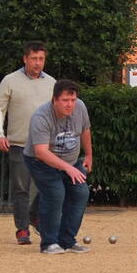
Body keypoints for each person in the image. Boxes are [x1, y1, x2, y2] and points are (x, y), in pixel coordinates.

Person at [0, 41, 54, 244]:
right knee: (21, 189)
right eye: (34, 59)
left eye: (41, 59)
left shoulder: (52, 83)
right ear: (25, 59)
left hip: (46, 146)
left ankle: (34, 215)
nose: (37, 63)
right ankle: (22, 229)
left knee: (47, 187)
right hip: (19, 143)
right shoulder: (10, 81)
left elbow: (59, 114)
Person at [23, 80, 93, 255]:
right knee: (55, 194)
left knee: (80, 193)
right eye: (65, 100)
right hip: (41, 162)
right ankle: (49, 243)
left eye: (73, 99)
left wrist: (89, 155)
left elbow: (85, 130)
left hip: (71, 160)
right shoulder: (41, 117)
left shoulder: (80, 107)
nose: (70, 104)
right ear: (54, 100)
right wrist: (67, 169)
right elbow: (41, 152)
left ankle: (67, 241)